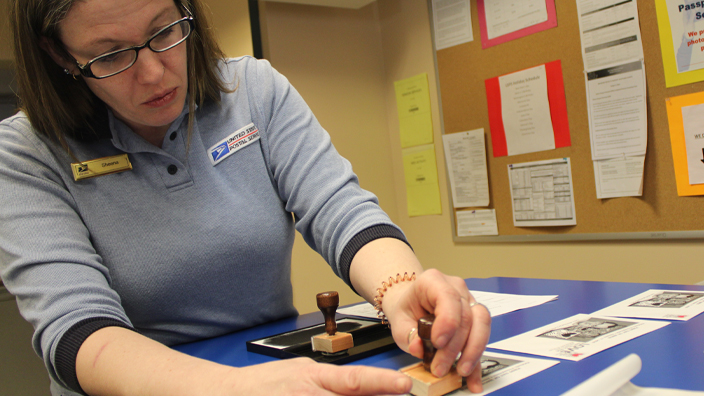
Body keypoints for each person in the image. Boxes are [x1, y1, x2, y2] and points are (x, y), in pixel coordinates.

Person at [0, 0, 491, 395]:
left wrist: (401, 288)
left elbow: (339, 208)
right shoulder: (23, 153)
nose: (153, 73)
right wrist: (233, 387)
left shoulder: (252, 89)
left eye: (165, 31)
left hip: (272, 366)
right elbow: (76, 329)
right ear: (61, 56)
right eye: (110, 56)